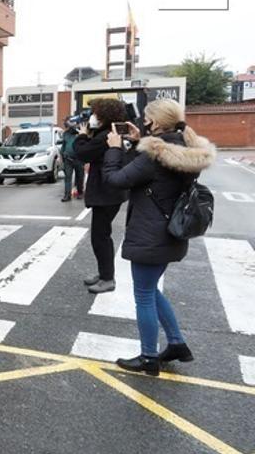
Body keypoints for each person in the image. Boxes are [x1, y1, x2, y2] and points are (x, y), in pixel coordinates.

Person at [102, 99, 215, 375]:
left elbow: (116, 179)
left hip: (150, 235)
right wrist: (141, 141)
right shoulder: (183, 148)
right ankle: (176, 343)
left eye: (146, 119)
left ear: (154, 122)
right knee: (151, 290)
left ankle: (149, 357)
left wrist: (115, 150)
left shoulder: (154, 155)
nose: (143, 122)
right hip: (170, 233)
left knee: (143, 295)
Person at [73, 98, 130, 294]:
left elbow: (82, 153)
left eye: (95, 113)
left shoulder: (106, 136)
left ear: (104, 115)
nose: (92, 116)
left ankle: (107, 278)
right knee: (101, 235)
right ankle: (104, 273)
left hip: (106, 193)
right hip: (111, 192)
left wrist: (81, 135)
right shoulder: (112, 132)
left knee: (100, 237)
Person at [59, 118, 85, 202]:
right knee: (67, 177)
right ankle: (67, 195)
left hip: (79, 159)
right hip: (68, 159)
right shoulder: (66, 134)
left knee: (80, 177)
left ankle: (80, 192)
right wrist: (62, 157)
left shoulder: (80, 133)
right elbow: (63, 146)